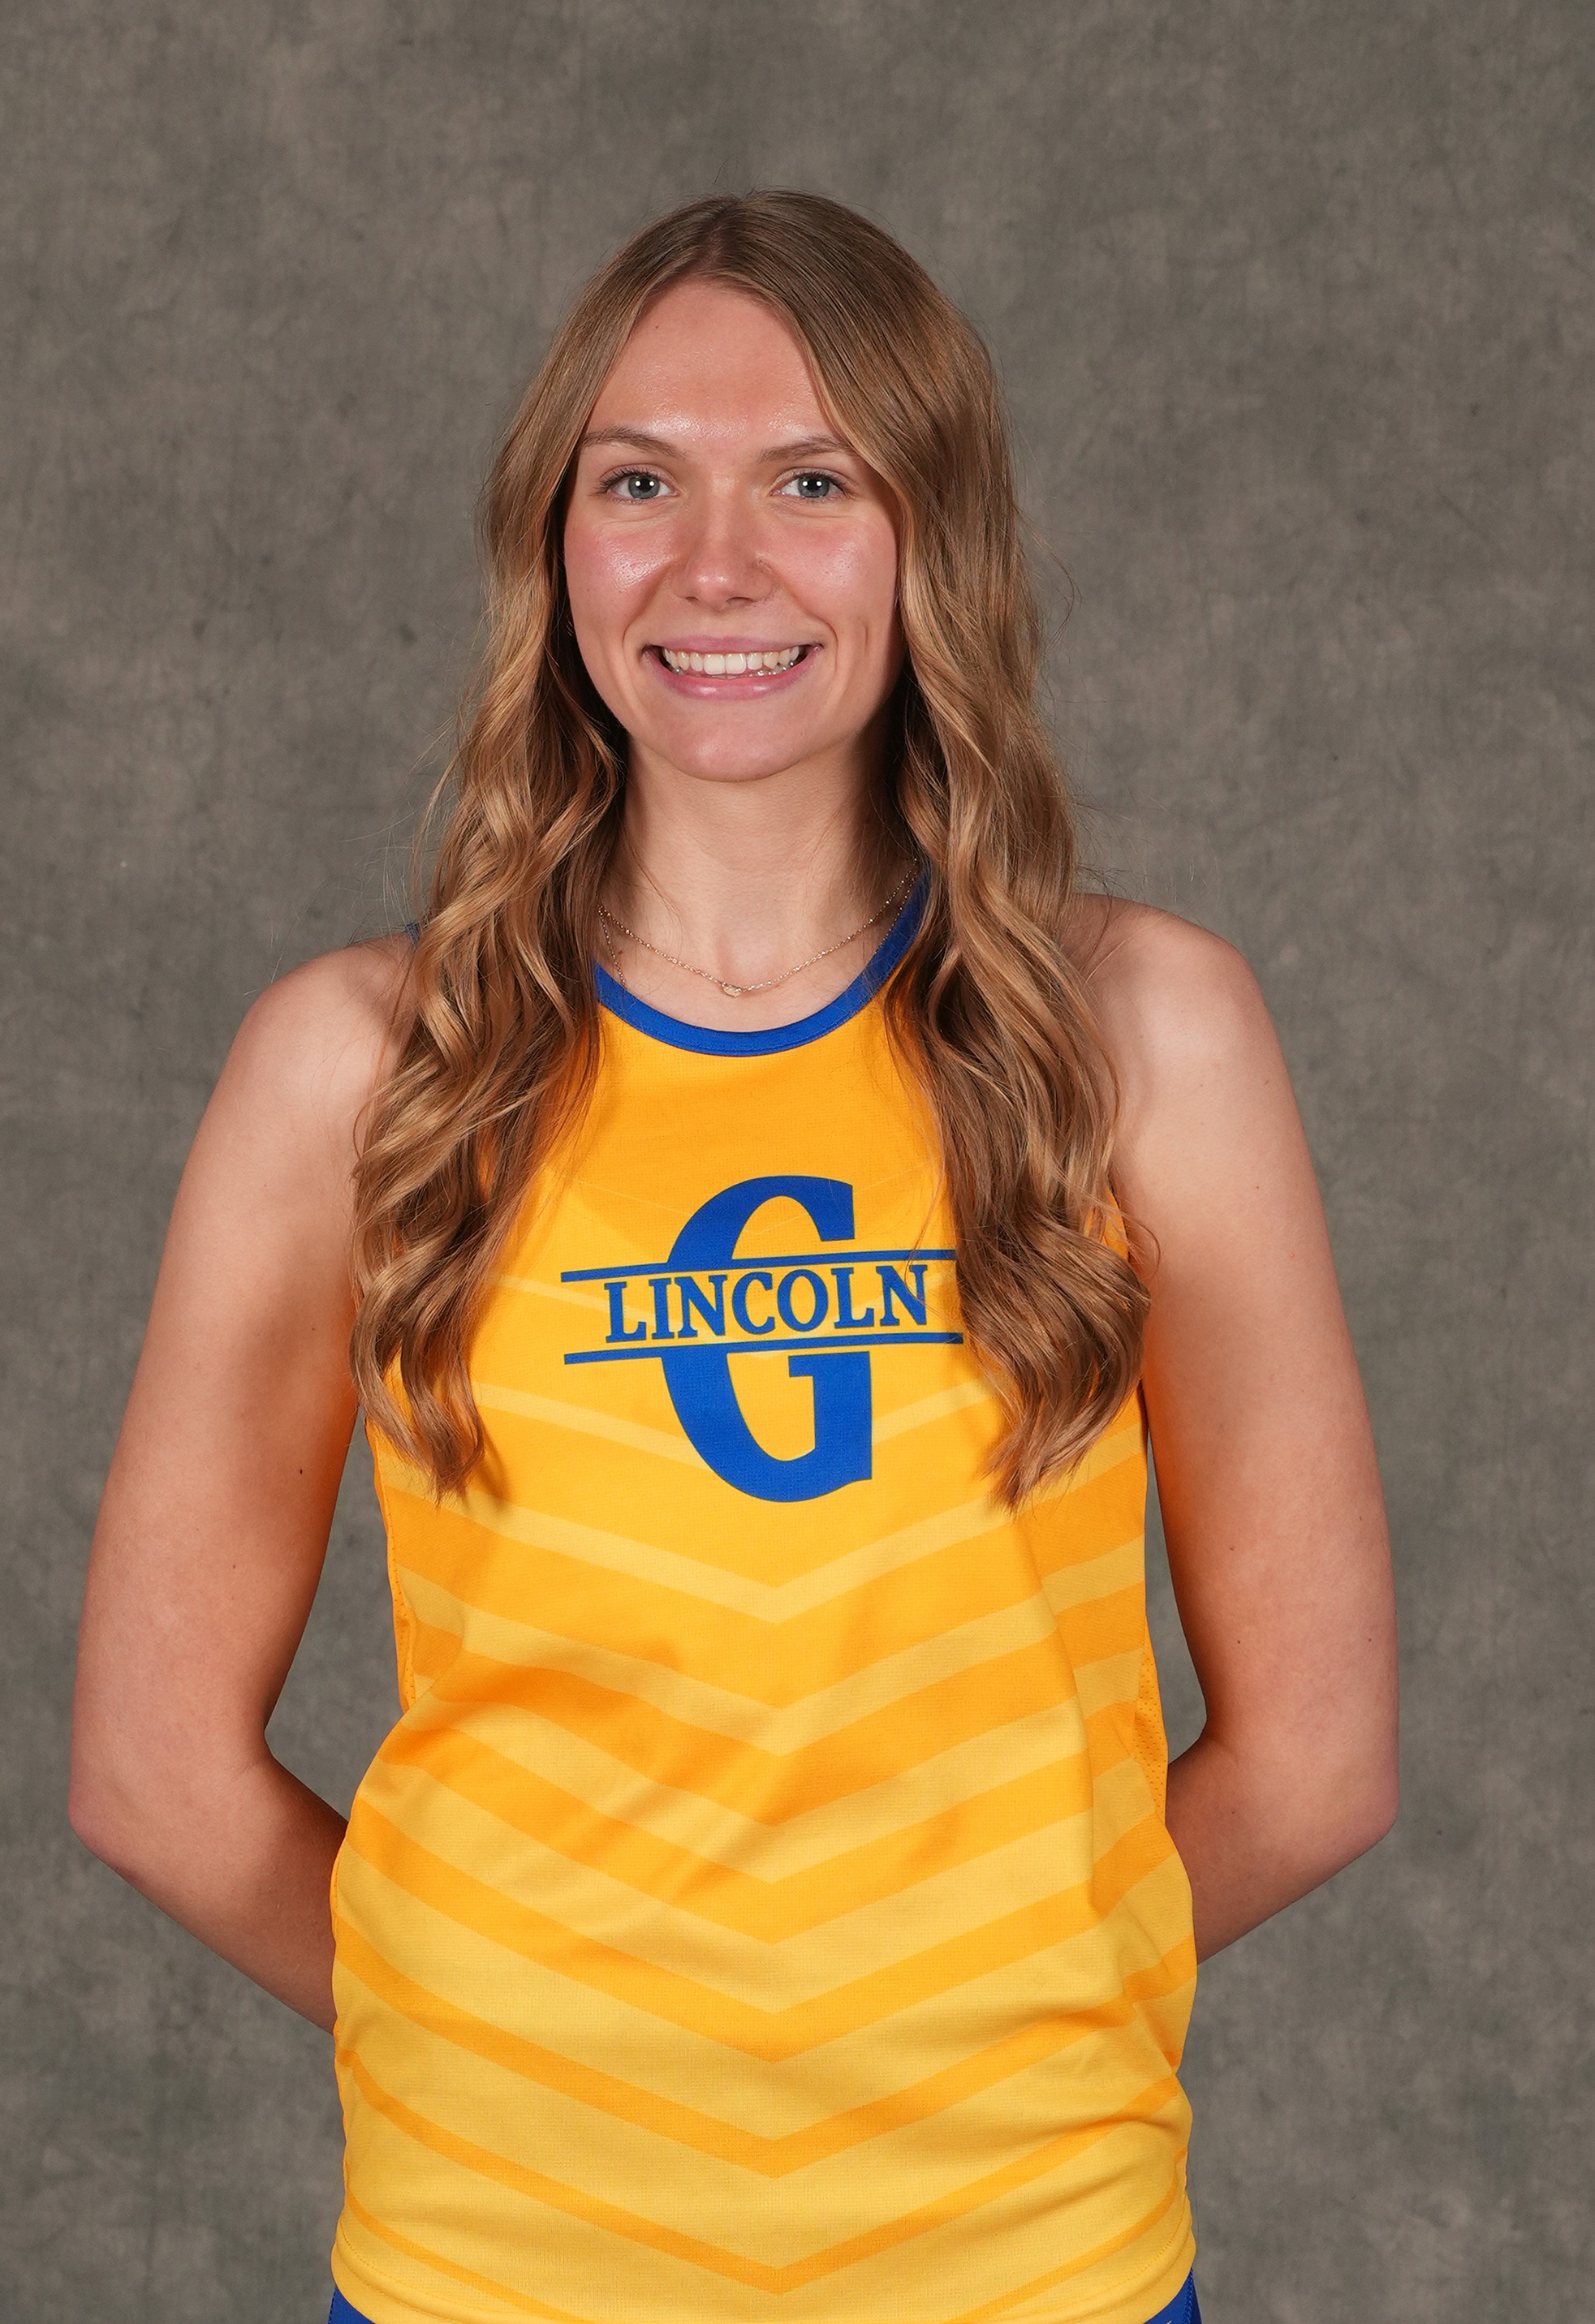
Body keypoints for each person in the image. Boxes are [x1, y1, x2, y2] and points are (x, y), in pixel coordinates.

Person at [70, 192, 1398, 2324]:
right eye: (636, 484)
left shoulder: (1143, 1037)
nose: (716, 563)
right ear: (553, 549)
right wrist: (514, 2054)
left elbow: (1316, 1765)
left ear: (932, 541)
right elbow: (153, 1776)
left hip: (1031, 2274)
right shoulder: (359, 1071)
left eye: (810, 482)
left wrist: (981, 2020)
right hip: (488, 2277)